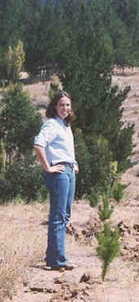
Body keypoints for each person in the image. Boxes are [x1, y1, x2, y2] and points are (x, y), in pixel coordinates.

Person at [34, 91, 79, 271]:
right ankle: (58, 260)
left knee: (65, 214)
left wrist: (73, 163)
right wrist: (48, 167)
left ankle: (52, 256)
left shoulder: (65, 126)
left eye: (67, 105)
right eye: (61, 105)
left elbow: (65, 149)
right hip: (58, 172)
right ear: (54, 107)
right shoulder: (52, 124)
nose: (65, 108)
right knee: (59, 215)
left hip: (68, 170)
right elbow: (39, 144)